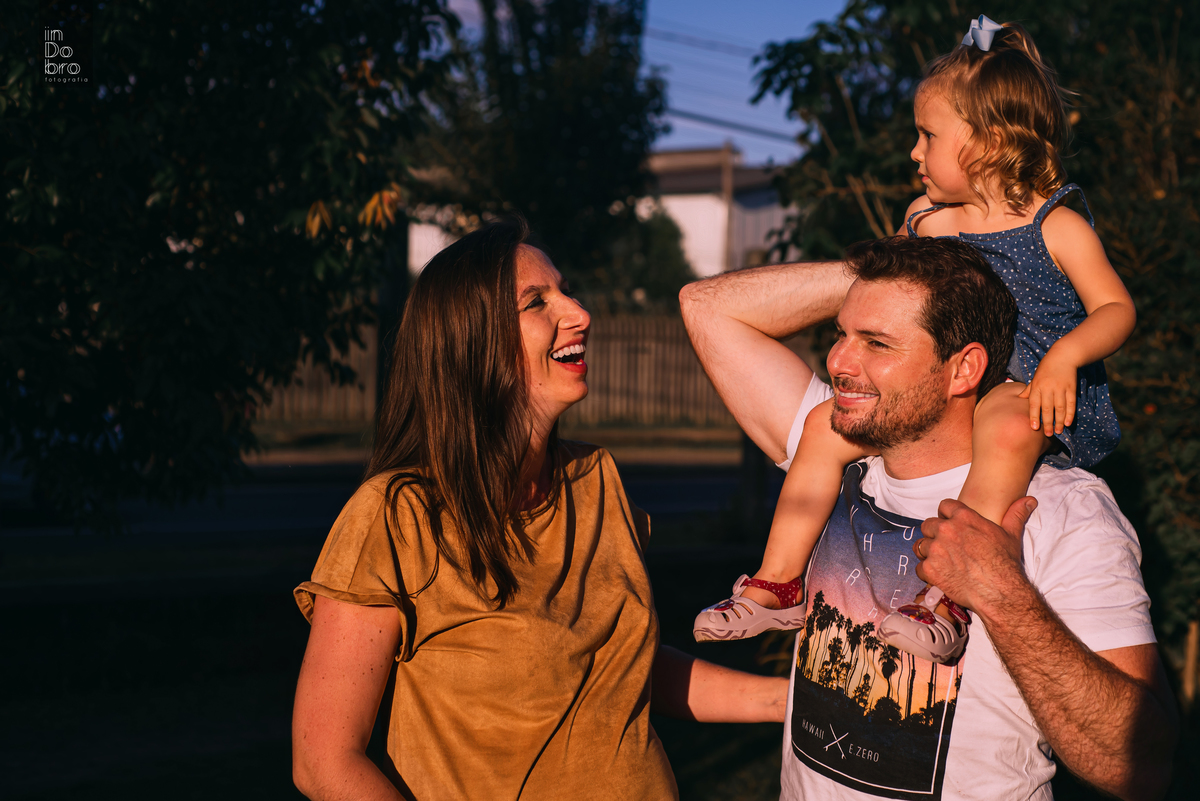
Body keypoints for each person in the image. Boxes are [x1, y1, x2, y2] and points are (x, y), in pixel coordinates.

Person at [290, 218, 786, 801]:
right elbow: (325, 762)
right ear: (471, 343)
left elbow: (620, 671)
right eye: (536, 302)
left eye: (566, 291)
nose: (579, 313)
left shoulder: (597, 480)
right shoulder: (396, 517)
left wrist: (787, 702)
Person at [692, 17, 1136, 667]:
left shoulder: (1055, 223)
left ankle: (946, 601)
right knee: (822, 427)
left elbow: (1117, 309)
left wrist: (1067, 357)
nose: (914, 152)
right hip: (946, 390)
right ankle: (778, 583)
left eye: (928, 136)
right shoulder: (925, 221)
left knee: (1009, 429)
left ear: (987, 144)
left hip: (1030, 386)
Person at [678, 234, 1177, 800]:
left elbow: (1139, 766)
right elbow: (705, 306)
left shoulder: (1063, 511)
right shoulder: (836, 454)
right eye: (841, 334)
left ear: (964, 369)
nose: (838, 361)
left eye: (877, 343)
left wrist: (1000, 593)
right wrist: (920, 263)